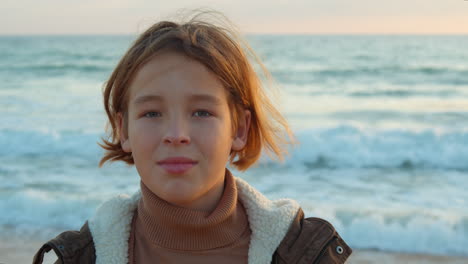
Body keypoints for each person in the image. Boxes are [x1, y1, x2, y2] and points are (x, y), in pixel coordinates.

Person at [33, 10, 352, 264]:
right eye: (152, 113)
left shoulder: (299, 252)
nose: (175, 135)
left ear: (238, 129)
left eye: (201, 112)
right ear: (124, 130)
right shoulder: (84, 255)